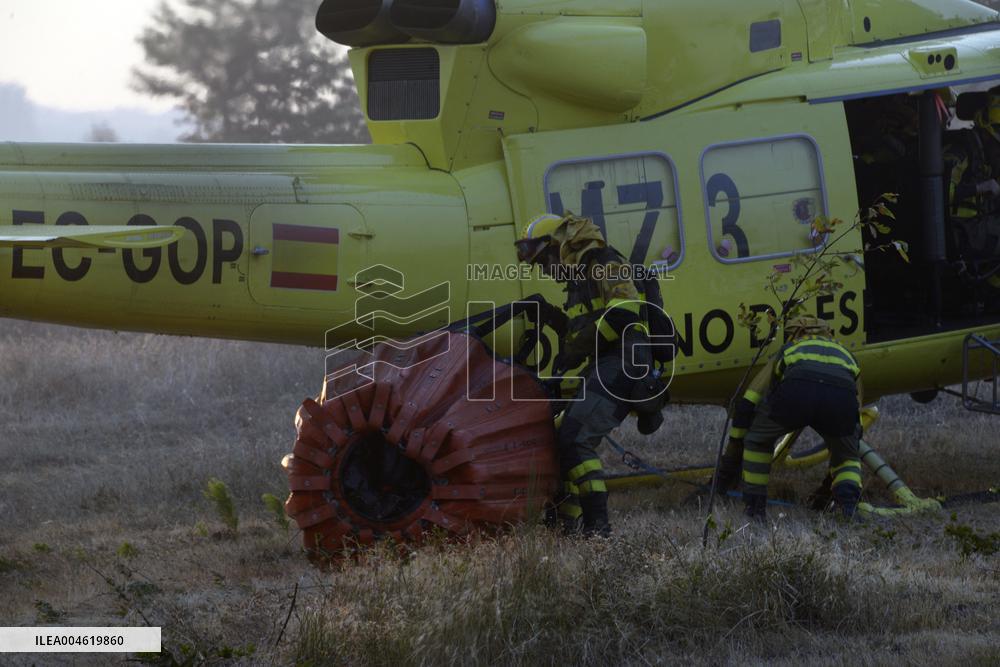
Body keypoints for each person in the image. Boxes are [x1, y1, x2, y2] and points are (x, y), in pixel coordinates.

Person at [515, 212, 666, 536]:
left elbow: (625, 312)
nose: (545, 270)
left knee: (576, 439)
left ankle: (598, 530)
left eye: (545, 261)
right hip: (605, 363)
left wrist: (577, 347)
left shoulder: (604, 262)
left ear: (562, 245)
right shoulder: (579, 281)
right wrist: (553, 318)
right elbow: (583, 327)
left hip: (627, 362)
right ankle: (565, 526)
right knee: (561, 437)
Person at [714, 316, 864, 520]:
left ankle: (755, 509)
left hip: (796, 391)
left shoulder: (791, 348)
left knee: (758, 441)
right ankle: (848, 509)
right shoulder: (847, 354)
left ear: (796, 333)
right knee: (846, 455)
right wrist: (852, 438)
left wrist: (737, 443)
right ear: (828, 332)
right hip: (840, 398)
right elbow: (857, 402)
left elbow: (752, 396)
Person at [944, 86, 1000, 264]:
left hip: (981, 227)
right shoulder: (963, 149)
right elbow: (941, 192)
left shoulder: (989, 156)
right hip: (961, 233)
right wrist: (979, 188)